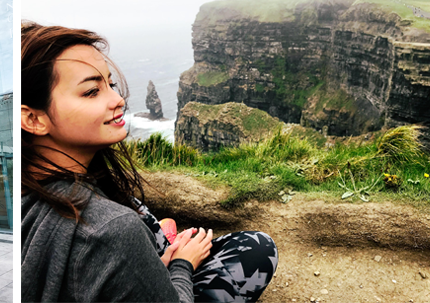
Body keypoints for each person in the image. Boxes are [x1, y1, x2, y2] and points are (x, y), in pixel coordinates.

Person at [21, 21, 279, 302]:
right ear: (33, 119)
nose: (118, 99)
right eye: (91, 91)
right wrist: (182, 264)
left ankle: (156, 240)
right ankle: (160, 244)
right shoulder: (113, 229)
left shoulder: (25, 192)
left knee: (140, 212)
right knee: (256, 248)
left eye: (111, 84)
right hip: (132, 250)